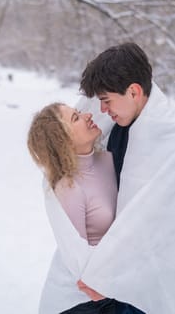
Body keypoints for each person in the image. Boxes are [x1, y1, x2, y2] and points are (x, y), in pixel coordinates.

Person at [74, 42, 175, 313]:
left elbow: (155, 225)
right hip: (104, 264)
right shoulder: (116, 125)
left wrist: (108, 273)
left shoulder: (168, 141)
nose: (103, 110)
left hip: (141, 277)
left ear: (133, 91)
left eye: (107, 100)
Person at [27, 103, 145, 314]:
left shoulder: (104, 157)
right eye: (75, 118)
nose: (88, 115)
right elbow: (79, 258)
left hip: (112, 287)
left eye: (79, 112)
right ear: (63, 140)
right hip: (82, 299)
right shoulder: (68, 187)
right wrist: (108, 284)